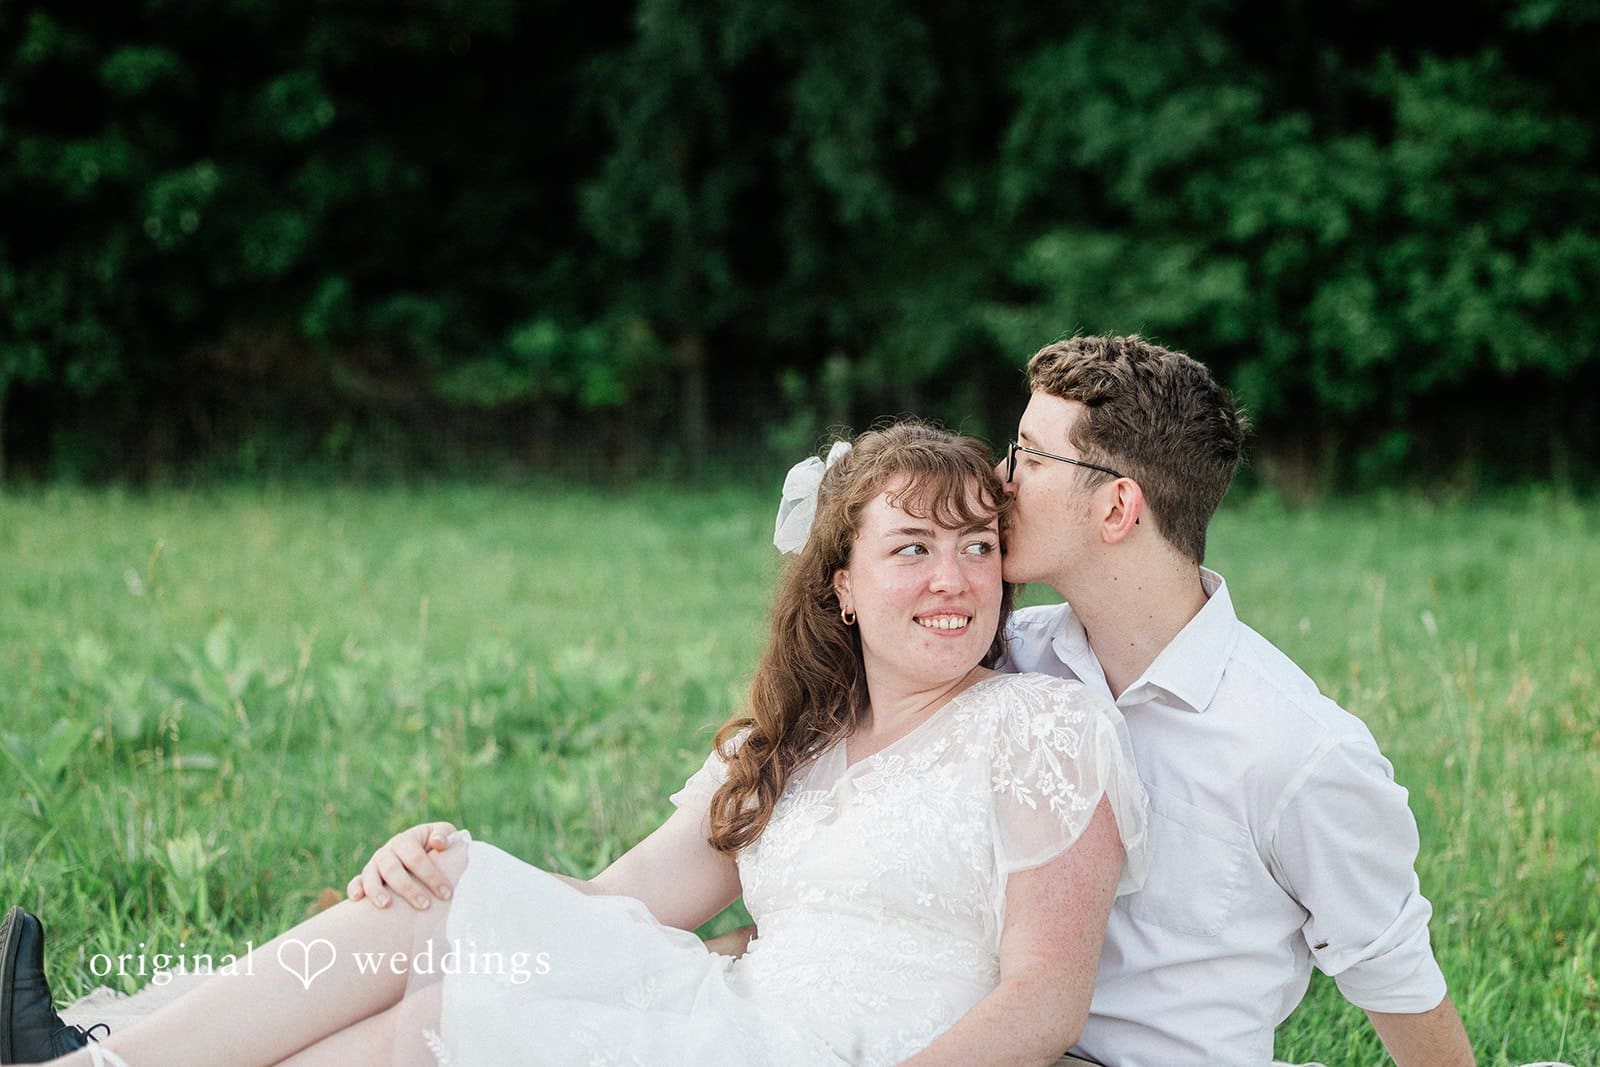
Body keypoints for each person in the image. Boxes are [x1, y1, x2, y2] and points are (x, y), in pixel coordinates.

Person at [1, 421, 1149, 1067]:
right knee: (443, 920)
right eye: (912, 549)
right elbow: (622, 897)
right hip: (722, 1011)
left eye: (975, 546)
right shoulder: (792, 736)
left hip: (826, 1054)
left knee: (431, 1026)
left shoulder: (1036, 727)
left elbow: (1043, 1000)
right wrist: (445, 858)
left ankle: (95, 1059)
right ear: (842, 583)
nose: (952, 580)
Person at [997, 335, 1474, 1065]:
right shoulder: (1006, 659)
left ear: (1118, 507)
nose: (1000, 481)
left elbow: (1398, 975)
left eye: (1029, 458)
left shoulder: (1298, 749)